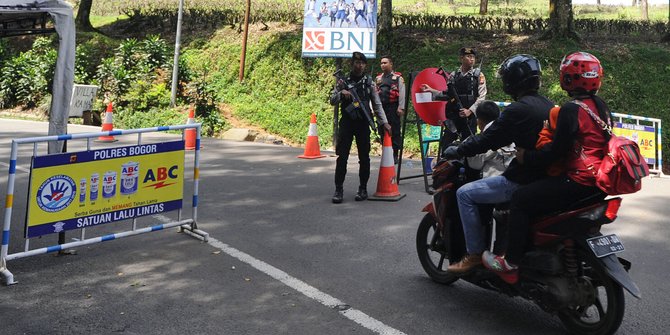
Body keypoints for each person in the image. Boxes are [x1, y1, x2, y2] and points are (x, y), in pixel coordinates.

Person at [482, 52, 611, 283]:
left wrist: (527, 158)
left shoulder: (572, 109)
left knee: (521, 199)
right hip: (600, 182)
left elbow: (555, 151)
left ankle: (510, 263)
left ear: (568, 78)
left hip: (578, 181)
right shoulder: (601, 106)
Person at [440, 54, 554, 274]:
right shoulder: (548, 105)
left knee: (464, 194)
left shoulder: (517, 110)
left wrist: (459, 149)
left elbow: (486, 140)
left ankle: (474, 254)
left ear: (512, 80)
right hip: (543, 180)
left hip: (520, 179)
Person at [330, 52, 392, 204]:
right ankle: (339, 189)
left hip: (363, 123)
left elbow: (377, 104)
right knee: (342, 157)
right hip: (347, 124)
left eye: (362, 63)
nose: (359, 66)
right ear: (352, 64)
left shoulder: (369, 82)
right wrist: (341, 94)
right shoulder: (342, 81)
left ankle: (363, 188)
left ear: (365, 65)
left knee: (364, 158)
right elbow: (332, 99)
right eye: (357, 63)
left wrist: (384, 122)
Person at [421, 47, 487, 141]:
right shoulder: (454, 75)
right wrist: (432, 90)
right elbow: (449, 95)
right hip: (454, 115)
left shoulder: (478, 75)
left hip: (470, 117)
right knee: (446, 143)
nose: (472, 59)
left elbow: (481, 97)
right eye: (468, 56)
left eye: (473, 56)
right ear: (461, 58)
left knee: (468, 145)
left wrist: (470, 111)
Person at [466, 101, 515, 179]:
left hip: (496, 181)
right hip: (515, 178)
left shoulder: (485, 139)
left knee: (462, 191)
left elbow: (475, 165)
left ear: (479, 121)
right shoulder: (509, 130)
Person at [375, 55, 406, 164]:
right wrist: (373, 108)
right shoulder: (378, 78)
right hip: (381, 108)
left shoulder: (397, 77)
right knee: (382, 129)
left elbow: (402, 93)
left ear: (391, 64)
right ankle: (386, 152)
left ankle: (395, 154)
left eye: (385, 63)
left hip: (393, 107)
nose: (383, 65)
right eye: (381, 63)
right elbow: (374, 93)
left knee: (395, 130)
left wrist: (401, 107)